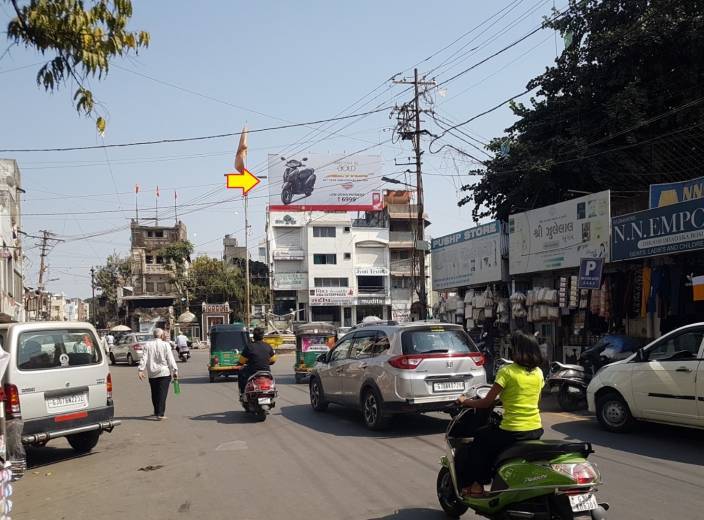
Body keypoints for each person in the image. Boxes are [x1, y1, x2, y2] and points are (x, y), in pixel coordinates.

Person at [455, 331, 544, 497]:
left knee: (480, 439)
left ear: (516, 349)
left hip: (512, 430)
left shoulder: (507, 372)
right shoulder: (538, 373)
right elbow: (534, 400)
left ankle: (476, 486)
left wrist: (464, 401)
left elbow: (485, 402)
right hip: (535, 429)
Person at [138, 328, 178, 420]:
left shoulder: (147, 345)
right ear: (161, 335)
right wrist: (175, 370)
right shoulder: (165, 345)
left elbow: (144, 358)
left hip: (152, 373)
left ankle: (157, 411)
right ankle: (160, 414)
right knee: (162, 394)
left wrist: (140, 370)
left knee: (154, 393)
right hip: (164, 373)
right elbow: (170, 359)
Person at [238, 328, 276, 397]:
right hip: (266, 371)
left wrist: (240, 364)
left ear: (253, 336)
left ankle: (243, 393)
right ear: (263, 336)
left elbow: (241, 361)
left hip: (252, 371)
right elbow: (273, 360)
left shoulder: (249, 346)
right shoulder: (268, 346)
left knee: (241, 373)